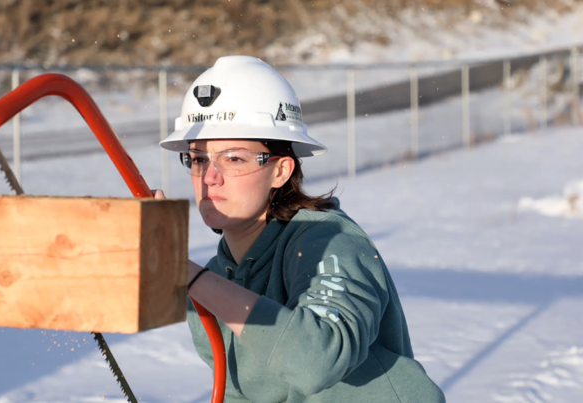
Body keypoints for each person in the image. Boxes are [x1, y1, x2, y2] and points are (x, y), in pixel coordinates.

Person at [155, 56, 445, 402]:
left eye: (233, 158)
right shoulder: (215, 277)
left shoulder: (330, 241)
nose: (209, 177)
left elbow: (318, 361)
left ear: (281, 171)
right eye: (199, 159)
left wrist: (189, 275)